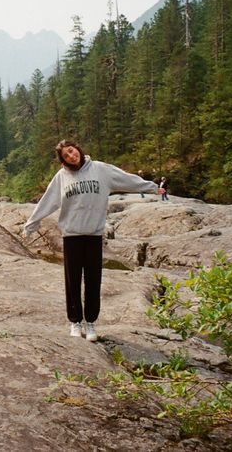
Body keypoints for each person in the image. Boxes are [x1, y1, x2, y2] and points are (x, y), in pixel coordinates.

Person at [22, 139, 158, 341]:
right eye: (66, 156)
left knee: (93, 281)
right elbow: (47, 201)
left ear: (77, 148)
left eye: (71, 151)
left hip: (94, 236)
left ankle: (91, 323)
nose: (71, 156)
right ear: (63, 161)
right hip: (72, 237)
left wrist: (152, 188)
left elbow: (126, 179)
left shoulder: (100, 169)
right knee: (73, 281)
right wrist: (31, 224)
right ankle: (75, 322)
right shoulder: (62, 177)